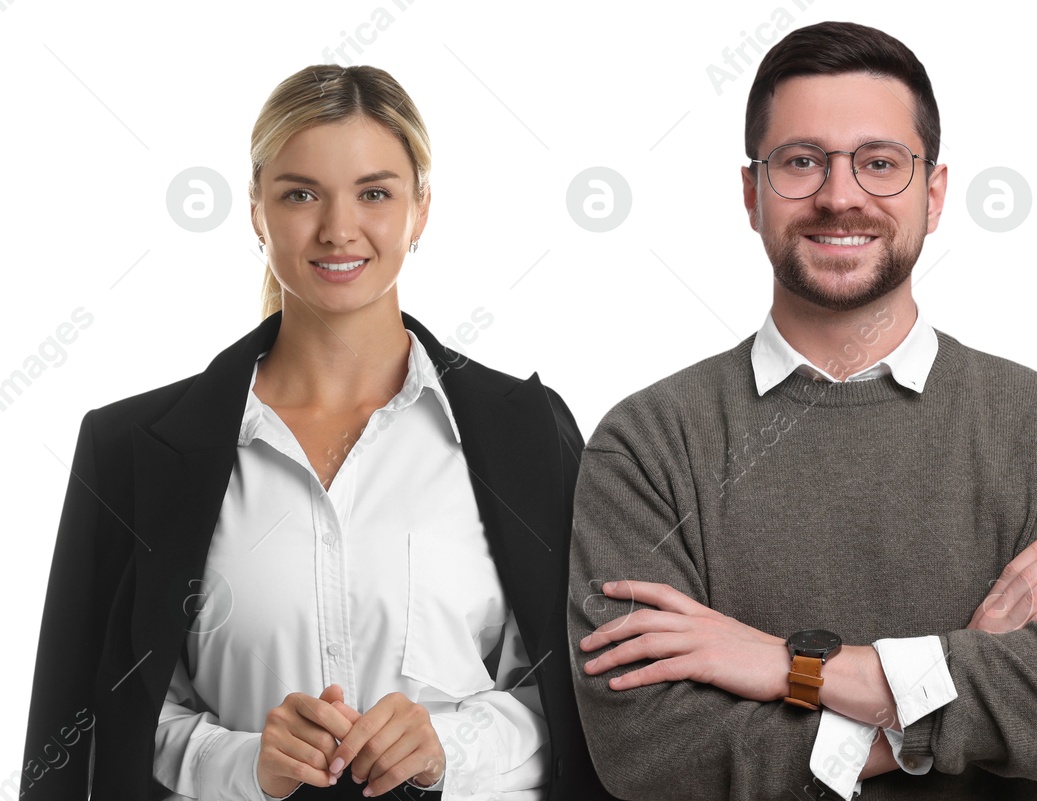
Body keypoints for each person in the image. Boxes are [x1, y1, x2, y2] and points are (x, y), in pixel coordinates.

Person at [567, 21, 1037, 801]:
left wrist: (789, 665)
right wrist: (944, 684)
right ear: (752, 194)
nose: (840, 195)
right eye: (801, 162)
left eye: (879, 164)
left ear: (935, 192)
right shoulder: (646, 445)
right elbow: (650, 753)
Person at [20, 65, 608, 800]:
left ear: (421, 210)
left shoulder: (529, 434)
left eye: (375, 192)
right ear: (257, 211)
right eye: (300, 193)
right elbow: (97, 728)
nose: (338, 228)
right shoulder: (129, 449)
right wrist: (244, 762)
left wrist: (445, 746)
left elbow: (584, 706)